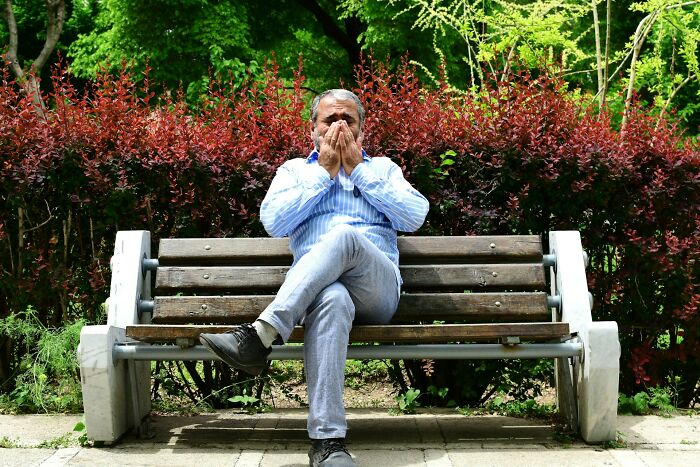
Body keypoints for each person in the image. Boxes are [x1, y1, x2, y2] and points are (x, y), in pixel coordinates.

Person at [199, 89, 429, 467]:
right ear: (314, 130)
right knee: (333, 298)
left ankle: (261, 335)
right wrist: (324, 173)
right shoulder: (295, 171)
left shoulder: (383, 168)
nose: (339, 126)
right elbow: (274, 223)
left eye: (348, 120)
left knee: (343, 236)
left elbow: (414, 217)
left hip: (377, 289)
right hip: (319, 294)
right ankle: (328, 444)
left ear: (361, 131)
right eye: (330, 120)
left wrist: (359, 171)